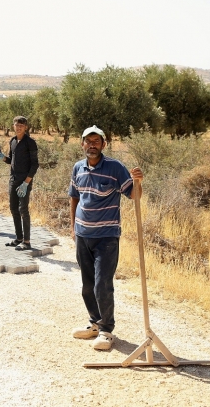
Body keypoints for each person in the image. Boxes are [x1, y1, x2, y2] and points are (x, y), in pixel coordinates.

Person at [68, 125, 143, 351]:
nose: (92, 145)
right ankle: (94, 323)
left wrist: (138, 181)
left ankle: (106, 331)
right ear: (82, 144)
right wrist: (73, 228)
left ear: (103, 144)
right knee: (87, 285)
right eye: (88, 141)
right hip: (83, 235)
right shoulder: (78, 168)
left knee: (102, 284)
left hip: (106, 237)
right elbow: (74, 198)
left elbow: (133, 195)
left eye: (96, 141)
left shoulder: (115, 168)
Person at [0, 116, 39, 250]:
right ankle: (19, 238)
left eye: (21, 125)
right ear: (13, 126)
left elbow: (35, 165)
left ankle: (27, 241)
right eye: (16, 125)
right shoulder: (12, 141)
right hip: (13, 179)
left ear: (25, 127)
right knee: (13, 209)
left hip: (24, 181)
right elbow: (11, 161)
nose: (18, 127)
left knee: (23, 209)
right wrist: (3, 158)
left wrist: (26, 183)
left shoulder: (30, 142)